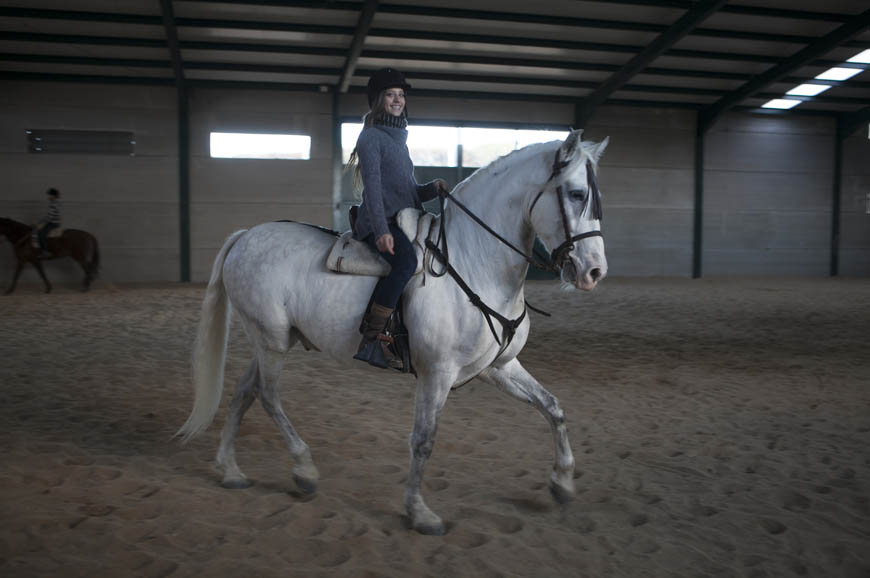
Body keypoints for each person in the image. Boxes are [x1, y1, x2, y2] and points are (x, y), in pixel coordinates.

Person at [346, 68, 448, 369]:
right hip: (379, 223)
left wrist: (431, 189)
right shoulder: (371, 138)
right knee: (405, 263)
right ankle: (372, 338)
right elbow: (374, 190)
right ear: (379, 100)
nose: (397, 100)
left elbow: (407, 191)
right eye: (390, 94)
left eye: (401, 95)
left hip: (402, 220)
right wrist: (381, 231)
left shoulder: (399, 141)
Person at [33, 188, 61, 257]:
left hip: (53, 223)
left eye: (49, 195)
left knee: (41, 234)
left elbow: (49, 217)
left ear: (53, 195)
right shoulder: (54, 203)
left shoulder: (54, 204)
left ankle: (45, 252)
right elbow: (48, 216)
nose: (48, 196)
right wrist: (40, 222)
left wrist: (39, 224)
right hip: (52, 222)